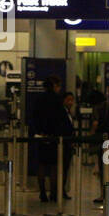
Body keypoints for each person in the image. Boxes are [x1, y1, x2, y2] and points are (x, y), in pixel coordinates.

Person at [34, 75, 67, 203]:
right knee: (54, 166)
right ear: (54, 86)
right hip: (54, 136)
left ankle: (42, 192)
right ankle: (53, 193)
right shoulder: (58, 100)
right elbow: (60, 119)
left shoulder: (39, 99)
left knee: (41, 165)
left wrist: (39, 131)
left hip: (41, 136)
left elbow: (34, 117)